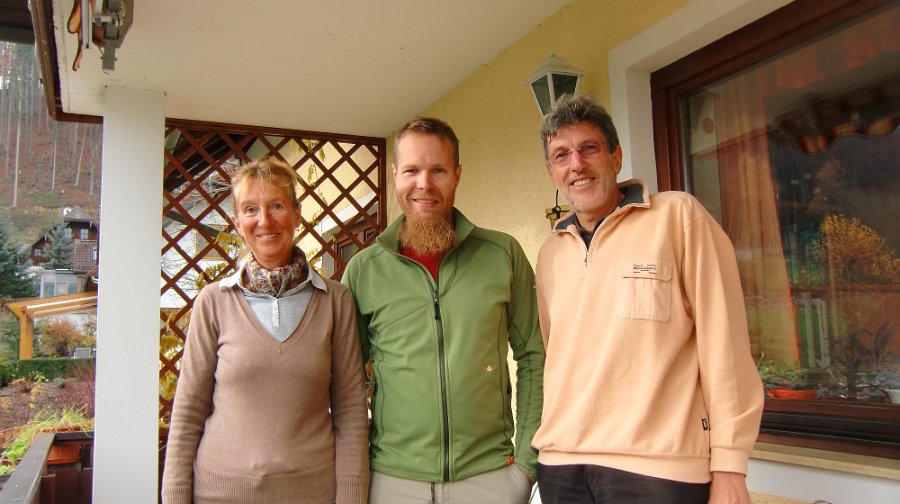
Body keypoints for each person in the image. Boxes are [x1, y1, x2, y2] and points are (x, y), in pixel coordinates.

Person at [532, 94, 764, 504]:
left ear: (616, 156)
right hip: (561, 465)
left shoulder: (678, 218)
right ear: (552, 172)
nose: (576, 164)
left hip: (658, 468)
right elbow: (556, 355)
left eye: (589, 148)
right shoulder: (550, 253)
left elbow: (724, 343)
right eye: (561, 156)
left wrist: (730, 463)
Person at [341, 117, 544, 504]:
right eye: (412, 171)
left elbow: (534, 355)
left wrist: (525, 464)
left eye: (438, 170)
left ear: (457, 175)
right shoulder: (364, 270)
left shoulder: (502, 255)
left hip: (491, 477)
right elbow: (346, 380)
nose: (425, 184)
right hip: (391, 480)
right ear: (395, 175)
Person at [161, 159, 369, 504]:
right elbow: (187, 413)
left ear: (297, 214)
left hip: (311, 494)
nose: (265, 221)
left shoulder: (335, 301)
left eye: (277, 206)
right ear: (237, 222)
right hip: (219, 494)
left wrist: (352, 498)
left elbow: (350, 413)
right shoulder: (214, 302)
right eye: (250, 209)